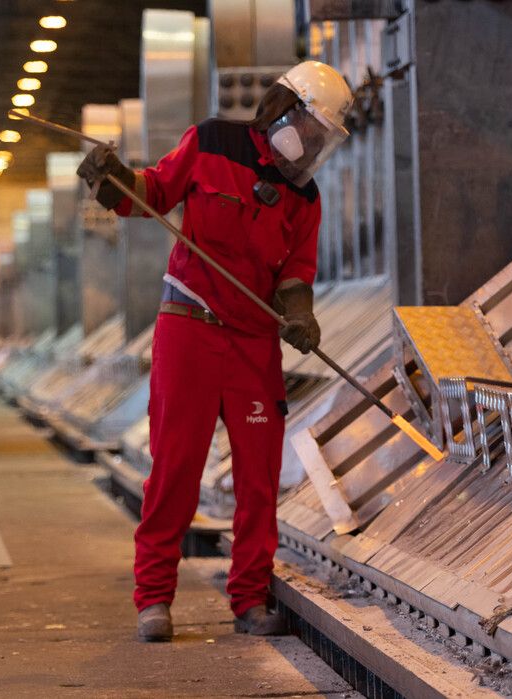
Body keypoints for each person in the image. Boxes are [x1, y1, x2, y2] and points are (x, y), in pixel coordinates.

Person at [77, 61, 353, 642]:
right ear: (284, 111)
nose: (309, 147)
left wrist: (299, 313)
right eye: (309, 131)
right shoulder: (210, 142)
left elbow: (297, 268)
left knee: (259, 476)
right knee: (175, 467)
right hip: (190, 330)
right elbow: (153, 192)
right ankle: (153, 597)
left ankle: (250, 597)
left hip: (254, 345)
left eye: (321, 139)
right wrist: (113, 180)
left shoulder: (305, 196)